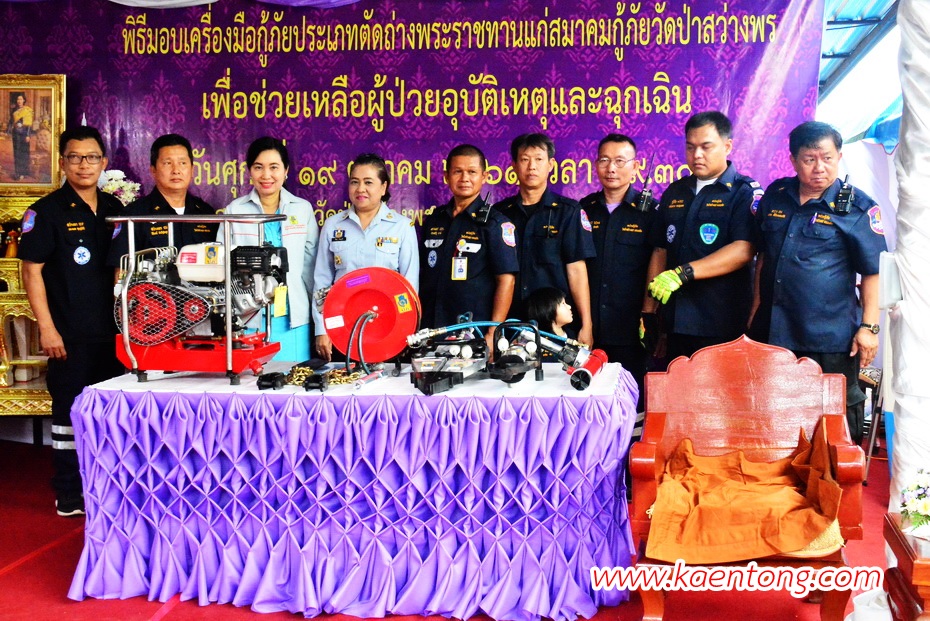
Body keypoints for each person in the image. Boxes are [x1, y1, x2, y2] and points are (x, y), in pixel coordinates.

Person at [749, 121, 887, 444]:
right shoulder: (776, 196)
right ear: (793, 160)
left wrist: (869, 328)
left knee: (835, 420)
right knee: (777, 413)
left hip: (830, 337)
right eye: (809, 159)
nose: (819, 168)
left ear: (839, 156)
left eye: (827, 158)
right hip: (774, 331)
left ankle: (837, 474)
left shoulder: (857, 208)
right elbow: (763, 257)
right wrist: (755, 309)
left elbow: (873, 271)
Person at [18, 126, 125, 517]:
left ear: (104, 162)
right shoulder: (45, 211)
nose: (84, 165)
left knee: (109, 415)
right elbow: (31, 272)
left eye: (92, 157)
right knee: (68, 416)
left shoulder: (114, 207)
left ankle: (106, 488)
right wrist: (47, 328)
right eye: (75, 157)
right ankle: (69, 493)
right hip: (68, 335)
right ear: (63, 162)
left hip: (112, 335)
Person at [646, 111, 761, 362]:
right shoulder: (675, 191)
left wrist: (684, 273)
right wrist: (649, 311)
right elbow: (660, 250)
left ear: (727, 146)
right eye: (690, 147)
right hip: (674, 322)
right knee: (674, 385)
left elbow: (743, 249)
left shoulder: (743, 192)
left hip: (721, 322)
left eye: (706, 147)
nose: (697, 155)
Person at [217, 137, 318, 361]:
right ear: (249, 171)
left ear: (286, 171)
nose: (266, 175)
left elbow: (311, 268)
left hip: (293, 318)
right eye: (258, 167)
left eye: (274, 167)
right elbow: (222, 266)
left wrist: (317, 317)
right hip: (247, 318)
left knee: (294, 377)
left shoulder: (302, 209)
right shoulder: (235, 210)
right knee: (251, 378)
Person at [313, 153, 418, 362]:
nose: (360, 189)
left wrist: (405, 332)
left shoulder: (402, 227)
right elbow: (321, 282)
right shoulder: (333, 225)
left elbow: (410, 286)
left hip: (388, 328)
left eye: (368, 182)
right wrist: (322, 328)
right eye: (355, 182)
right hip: (342, 328)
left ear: (383, 187)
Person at [492, 133, 596, 345]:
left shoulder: (568, 212)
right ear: (514, 166)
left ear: (550, 165)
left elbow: (577, 271)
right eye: (525, 159)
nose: (532, 167)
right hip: (512, 323)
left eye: (539, 159)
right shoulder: (500, 214)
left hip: (555, 324)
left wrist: (587, 324)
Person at [581, 133, 660, 408]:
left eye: (619, 161)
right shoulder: (583, 210)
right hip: (588, 327)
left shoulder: (651, 213)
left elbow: (658, 263)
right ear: (596, 165)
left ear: (635, 166)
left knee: (631, 401)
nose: (611, 168)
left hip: (630, 327)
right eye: (604, 160)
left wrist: (649, 316)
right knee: (587, 400)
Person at [419, 144, 519, 336]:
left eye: (472, 172)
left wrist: (493, 331)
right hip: (430, 327)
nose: (464, 178)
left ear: (484, 176)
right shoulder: (434, 220)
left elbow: (507, 281)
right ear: (446, 176)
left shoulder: (495, 223)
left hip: (472, 330)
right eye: (458, 171)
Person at [107, 134, 217, 267]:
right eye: (167, 163)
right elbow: (121, 271)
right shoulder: (134, 214)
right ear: (153, 170)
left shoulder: (206, 213)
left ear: (192, 169)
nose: (176, 170)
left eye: (182, 163)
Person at [8, 93, 33, 180]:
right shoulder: (14, 110)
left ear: (24, 100)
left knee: (24, 153)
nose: (19, 101)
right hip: (16, 135)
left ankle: (24, 172)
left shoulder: (27, 110)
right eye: (18, 99)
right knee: (17, 153)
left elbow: (29, 125)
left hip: (24, 134)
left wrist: (28, 135)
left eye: (21, 99)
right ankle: (18, 173)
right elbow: (11, 122)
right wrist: (10, 129)